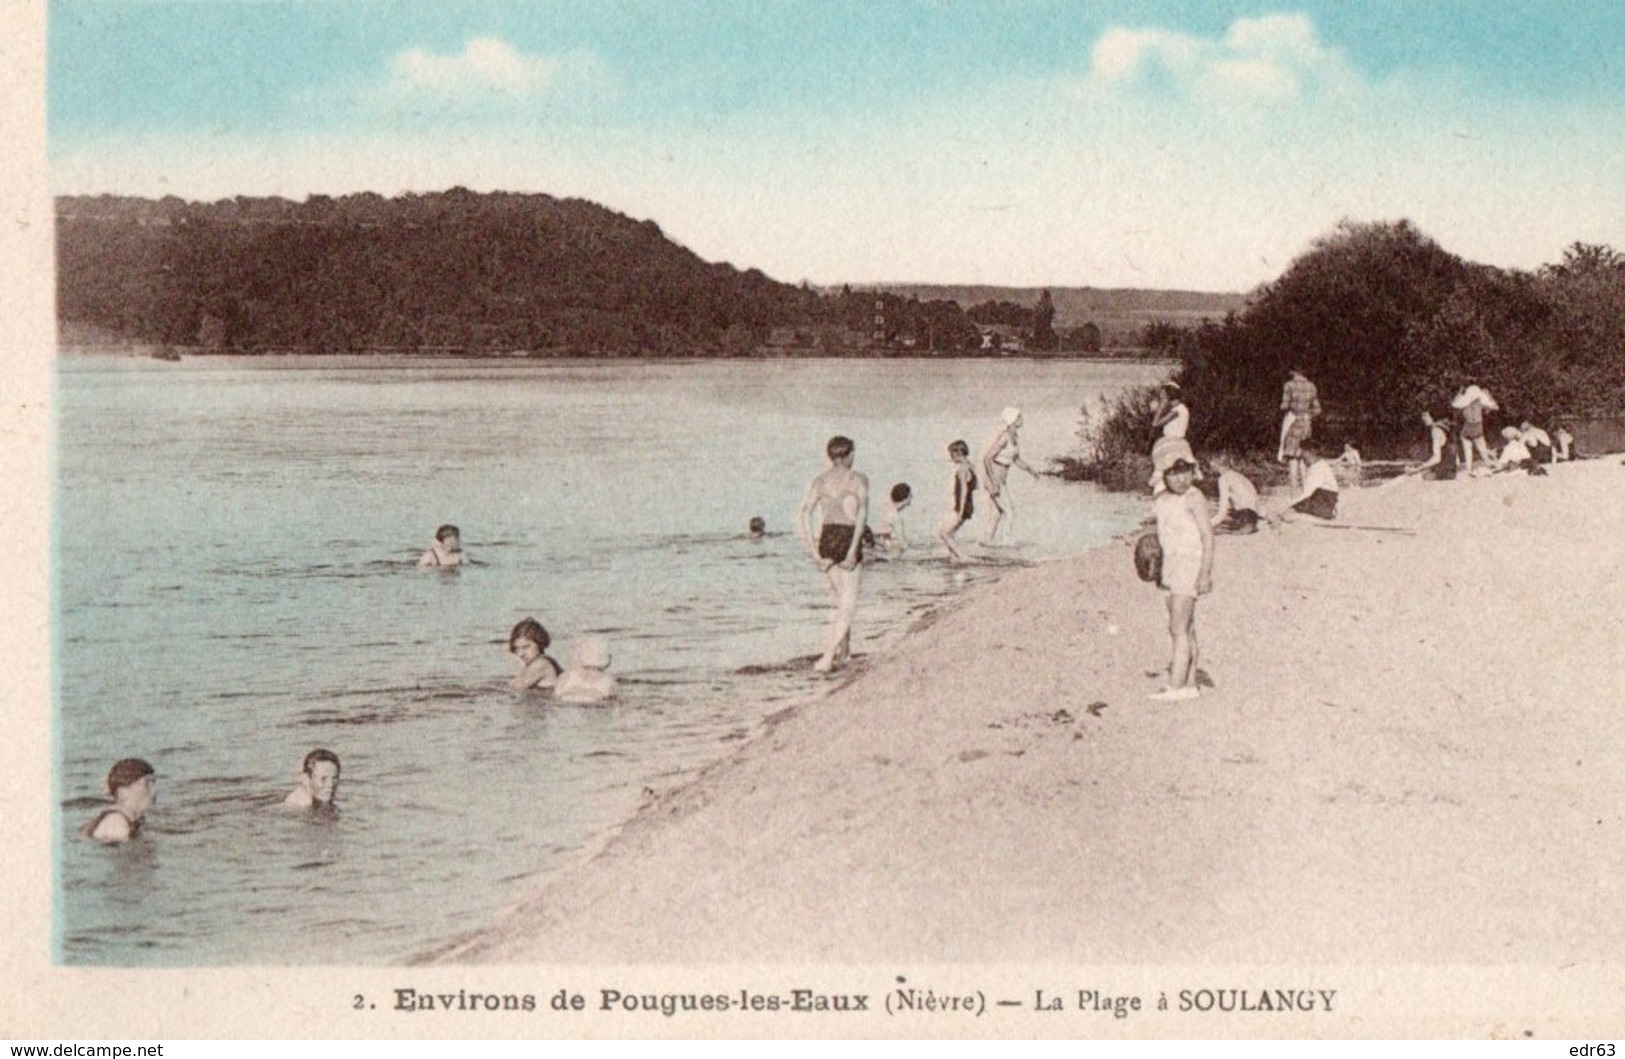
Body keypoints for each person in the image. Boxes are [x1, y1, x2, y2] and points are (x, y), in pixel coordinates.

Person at [797, 435, 870, 673]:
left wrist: (813, 552)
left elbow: (804, 516)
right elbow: (861, 518)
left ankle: (845, 654)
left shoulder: (820, 481)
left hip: (826, 539)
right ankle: (828, 657)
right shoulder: (859, 479)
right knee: (848, 605)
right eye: (853, 454)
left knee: (841, 602)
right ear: (848, 455)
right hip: (847, 536)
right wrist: (852, 551)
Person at [1149, 458, 1213, 702]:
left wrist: (1205, 573)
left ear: (1192, 472)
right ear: (1163, 476)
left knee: (1178, 628)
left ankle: (1176, 687)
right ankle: (1190, 683)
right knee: (1185, 626)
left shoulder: (1194, 497)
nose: (1180, 479)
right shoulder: (1161, 499)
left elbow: (1208, 537)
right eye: (1173, 473)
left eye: (1185, 472)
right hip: (1169, 566)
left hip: (1189, 564)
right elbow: (1160, 529)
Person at [980, 407, 1039, 545]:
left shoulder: (1015, 437)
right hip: (994, 479)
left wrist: (1031, 471)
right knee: (1010, 512)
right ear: (1012, 420)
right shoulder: (1004, 438)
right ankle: (1006, 543)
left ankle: (985, 543)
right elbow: (987, 458)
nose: (1022, 419)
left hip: (1001, 480)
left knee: (996, 514)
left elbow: (1016, 459)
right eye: (1019, 417)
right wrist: (993, 481)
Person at [82, 758, 156, 844]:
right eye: (146, 784)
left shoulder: (133, 820)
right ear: (123, 791)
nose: (154, 791)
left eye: (153, 783)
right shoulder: (116, 823)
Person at [1148, 382, 1199, 495]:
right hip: (1180, 441)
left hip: (1170, 442)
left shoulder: (1177, 410)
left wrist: (1161, 407)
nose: (1162, 398)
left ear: (1169, 395)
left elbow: (1156, 424)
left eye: (1163, 395)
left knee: (1162, 473)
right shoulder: (1180, 408)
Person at [1279, 369, 1321, 495]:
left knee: (1292, 460)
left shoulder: (1289, 385)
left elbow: (1284, 406)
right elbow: (1318, 410)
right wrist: (1308, 415)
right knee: (1303, 459)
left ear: (1293, 372)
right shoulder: (1311, 386)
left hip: (1293, 423)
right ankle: (1305, 493)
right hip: (1306, 425)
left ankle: (1293, 495)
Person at [934, 441, 977, 561]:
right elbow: (975, 486)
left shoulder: (962, 469)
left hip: (962, 506)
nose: (950, 456)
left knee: (943, 533)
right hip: (969, 504)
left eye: (951, 453)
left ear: (958, 453)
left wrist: (960, 511)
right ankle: (954, 557)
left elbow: (963, 490)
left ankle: (963, 557)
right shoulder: (970, 466)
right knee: (950, 533)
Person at [1208, 453, 1263, 534]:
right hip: (1253, 517)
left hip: (1244, 518)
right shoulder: (1238, 475)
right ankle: (1248, 526)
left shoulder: (1223, 479)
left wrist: (1207, 525)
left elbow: (1222, 512)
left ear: (1216, 464)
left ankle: (1242, 528)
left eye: (1211, 463)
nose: (1210, 466)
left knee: (1212, 526)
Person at [554, 636, 619, 703]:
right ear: (608, 659)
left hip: (567, 701)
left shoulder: (565, 677)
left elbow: (555, 697)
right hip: (595, 704)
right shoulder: (608, 681)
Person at [1452, 384, 1498, 476]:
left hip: (1467, 427)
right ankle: (1488, 466)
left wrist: (1459, 393)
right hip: (1477, 426)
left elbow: (1454, 404)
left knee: (1467, 451)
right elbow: (1495, 407)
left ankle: (1468, 469)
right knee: (1483, 451)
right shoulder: (1481, 402)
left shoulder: (1464, 403)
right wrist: (1489, 396)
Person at [1284, 444, 1340, 519]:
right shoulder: (1319, 464)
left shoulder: (1317, 468)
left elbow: (1306, 493)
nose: (1303, 462)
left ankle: (1327, 512)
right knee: (1297, 507)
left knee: (1296, 509)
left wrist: (1288, 507)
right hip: (1326, 497)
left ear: (1308, 453)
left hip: (1326, 500)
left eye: (1303, 458)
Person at [508, 617, 562, 691]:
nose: (521, 654)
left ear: (539, 643)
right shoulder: (533, 664)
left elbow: (516, 687)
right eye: (517, 648)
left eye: (526, 647)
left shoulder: (541, 664)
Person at [1406, 412, 1455, 480]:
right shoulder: (1445, 427)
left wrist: (1416, 470)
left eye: (1425, 416)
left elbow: (1437, 458)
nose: (1423, 418)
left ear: (1433, 416)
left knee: (1409, 478)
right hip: (1451, 468)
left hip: (1443, 471)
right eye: (1422, 416)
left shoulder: (1435, 431)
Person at [869, 483, 912, 558]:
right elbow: (903, 543)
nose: (911, 498)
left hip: (876, 546)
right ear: (905, 499)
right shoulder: (896, 517)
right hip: (890, 553)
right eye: (910, 496)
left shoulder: (884, 508)